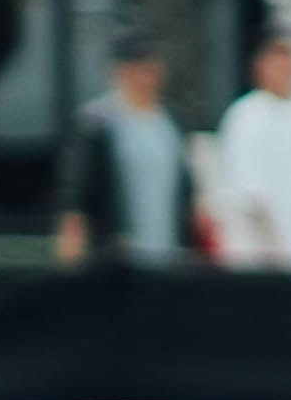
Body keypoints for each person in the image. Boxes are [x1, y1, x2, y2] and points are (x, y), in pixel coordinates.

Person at [207, 30, 291, 271]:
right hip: (264, 259)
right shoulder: (246, 116)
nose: (287, 65)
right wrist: (277, 256)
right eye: (279, 56)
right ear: (260, 65)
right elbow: (249, 196)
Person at [55, 43, 192, 267]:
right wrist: (72, 242)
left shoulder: (169, 125)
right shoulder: (97, 123)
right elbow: (76, 190)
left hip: (167, 254)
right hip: (115, 255)